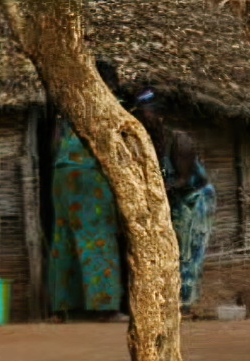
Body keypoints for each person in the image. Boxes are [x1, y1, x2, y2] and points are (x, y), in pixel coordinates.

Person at [46, 59, 125, 320]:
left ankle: (64, 308)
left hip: (62, 174)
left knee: (64, 238)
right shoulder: (104, 104)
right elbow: (113, 146)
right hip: (90, 173)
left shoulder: (67, 105)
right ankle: (105, 307)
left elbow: (54, 143)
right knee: (99, 236)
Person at [132, 90, 216, 312]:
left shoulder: (180, 141)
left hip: (196, 198)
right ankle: (175, 301)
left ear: (159, 116)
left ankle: (185, 304)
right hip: (175, 199)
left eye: (146, 114)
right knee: (173, 249)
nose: (142, 120)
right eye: (140, 115)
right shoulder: (149, 143)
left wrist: (157, 191)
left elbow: (184, 179)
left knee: (189, 249)